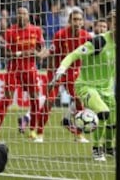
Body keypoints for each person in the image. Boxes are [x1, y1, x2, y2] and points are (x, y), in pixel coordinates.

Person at [49, 11, 120, 161]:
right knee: (103, 112)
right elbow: (73, 54)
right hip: (86, 86)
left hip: (106, 89)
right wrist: (61, 69)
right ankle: (97, 149)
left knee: (114, 121)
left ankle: (109, 148)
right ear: (110, 25)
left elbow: (119, 68)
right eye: (114, 23)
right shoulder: (99, 42)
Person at [30, 8, 92, 143]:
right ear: (70, 21)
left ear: (83, 22)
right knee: (49, 101)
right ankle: (39, 133)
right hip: (58, 71)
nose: (77, 22)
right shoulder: (60, 35)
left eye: (80, 20)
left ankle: (79, 134)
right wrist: (51, 75)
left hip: (75, 72)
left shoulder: (86, 36)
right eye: (75, 19)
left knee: (79, 102)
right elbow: (52, 55)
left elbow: (90, 57)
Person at [0, 6, 47, 140]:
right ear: (16, 16)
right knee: (7, 98)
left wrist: (39, 54)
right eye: (19, 13)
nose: (21, 16)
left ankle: (32, 129)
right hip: (13, 70)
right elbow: (5, 53)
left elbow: (42, 49)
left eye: (24, 13)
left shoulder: (36, 30)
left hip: (30, 69)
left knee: (34, 98)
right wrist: (21, 53)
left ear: (28, 16)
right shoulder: (10, 31)